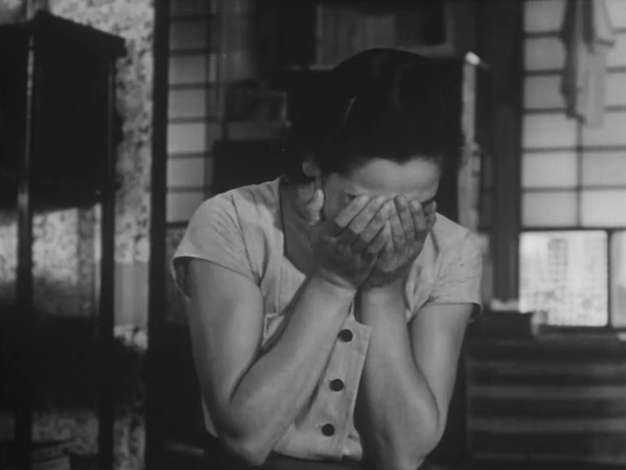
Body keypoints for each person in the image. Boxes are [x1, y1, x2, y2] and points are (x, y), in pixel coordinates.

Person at [171, 48, 482, 470]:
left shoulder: (453, 248)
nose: (388, 227)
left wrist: (383, 290)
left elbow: (404, 453)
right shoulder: (234, 223)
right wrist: (333, 282)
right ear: (313, 162)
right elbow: (244, 437)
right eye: (363, 204)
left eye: (418, 207)